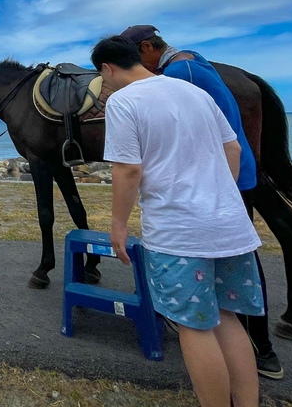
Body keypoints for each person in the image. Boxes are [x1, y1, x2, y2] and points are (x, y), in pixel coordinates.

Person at [92, 36, 263, 407]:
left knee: (195, 326)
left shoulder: (124, 101)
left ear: (107, 68)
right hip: (229, 224)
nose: (104, 85)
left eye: (102, 78)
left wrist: (118, 225)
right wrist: (218, 194)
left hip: (180, 232)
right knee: (228, 319)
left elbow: (128, 169)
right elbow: (232, 148)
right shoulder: (192, 91)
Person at [120, 24, 285, 379]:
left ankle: (261, 350)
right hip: (229, 172)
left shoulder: (179, 73)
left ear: (147, 48)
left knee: (227, 271)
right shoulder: (194, 60)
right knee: (233, 261)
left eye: (137, 59)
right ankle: (257, 349)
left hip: (220, 180)